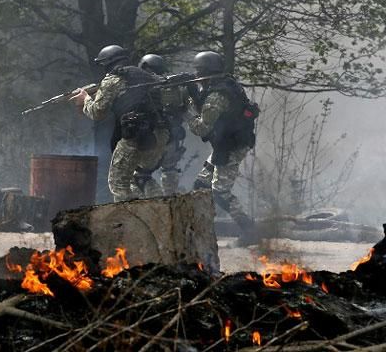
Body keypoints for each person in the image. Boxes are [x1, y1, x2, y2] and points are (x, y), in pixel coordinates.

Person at [70, 45, 169, 202]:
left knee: (118, 184)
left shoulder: (113, 79)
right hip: (159, 135)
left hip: (135, 136)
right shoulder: (146, 76)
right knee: (140, 178)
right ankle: (156, 213)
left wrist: (85, 99)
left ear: (108, 63)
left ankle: (129, 221)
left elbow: (97, 112)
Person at [187, 51, 259, 245]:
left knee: (220, 192)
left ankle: (249, 229)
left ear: (204, 71)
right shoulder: (225, 84)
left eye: (197, 72)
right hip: (227, 143)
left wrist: (188, 110)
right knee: (201, 185)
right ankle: (197, 230)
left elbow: (202, 127)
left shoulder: (218, 94)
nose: (195, 76)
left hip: (231, 147)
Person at [133, 54, 192, 197]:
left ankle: (157, 202)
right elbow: (186, 107)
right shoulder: (175, 87)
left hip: (154, 138)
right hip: (173, 137)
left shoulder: (144, 88)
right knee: (170, 170)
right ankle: (170, 201)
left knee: (141, 176)